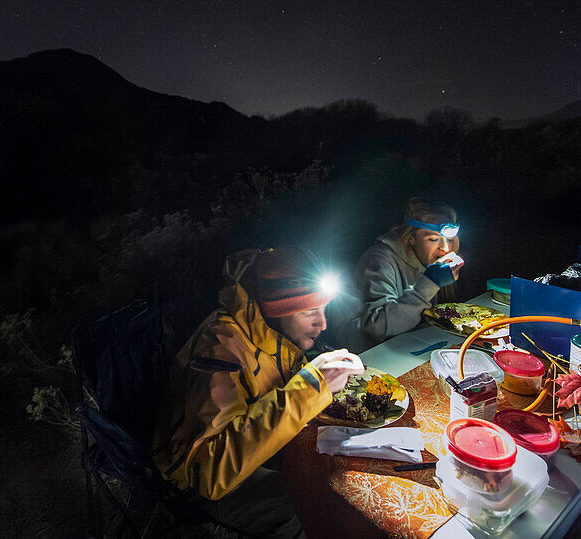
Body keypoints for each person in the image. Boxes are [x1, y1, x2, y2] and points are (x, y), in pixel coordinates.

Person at [152, 246, 364, 538]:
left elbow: (272, 401)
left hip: (261, 454)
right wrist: (311, 387)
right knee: (312, 506)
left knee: (343, 477)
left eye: (324, 309)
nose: (323, 324)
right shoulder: (222, 346)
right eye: (309, 312)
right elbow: (211, 473)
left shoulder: (274, 335)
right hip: (198, 483)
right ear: (276, 310)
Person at [326, 198, 464, 353]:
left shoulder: (427, 260)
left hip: (403, 342)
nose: (446, 248)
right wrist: (430, 283)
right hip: (364, 351)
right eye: (433, 239)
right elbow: (378, 326)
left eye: (450, 240)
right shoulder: (380, 260)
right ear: (412, 238)